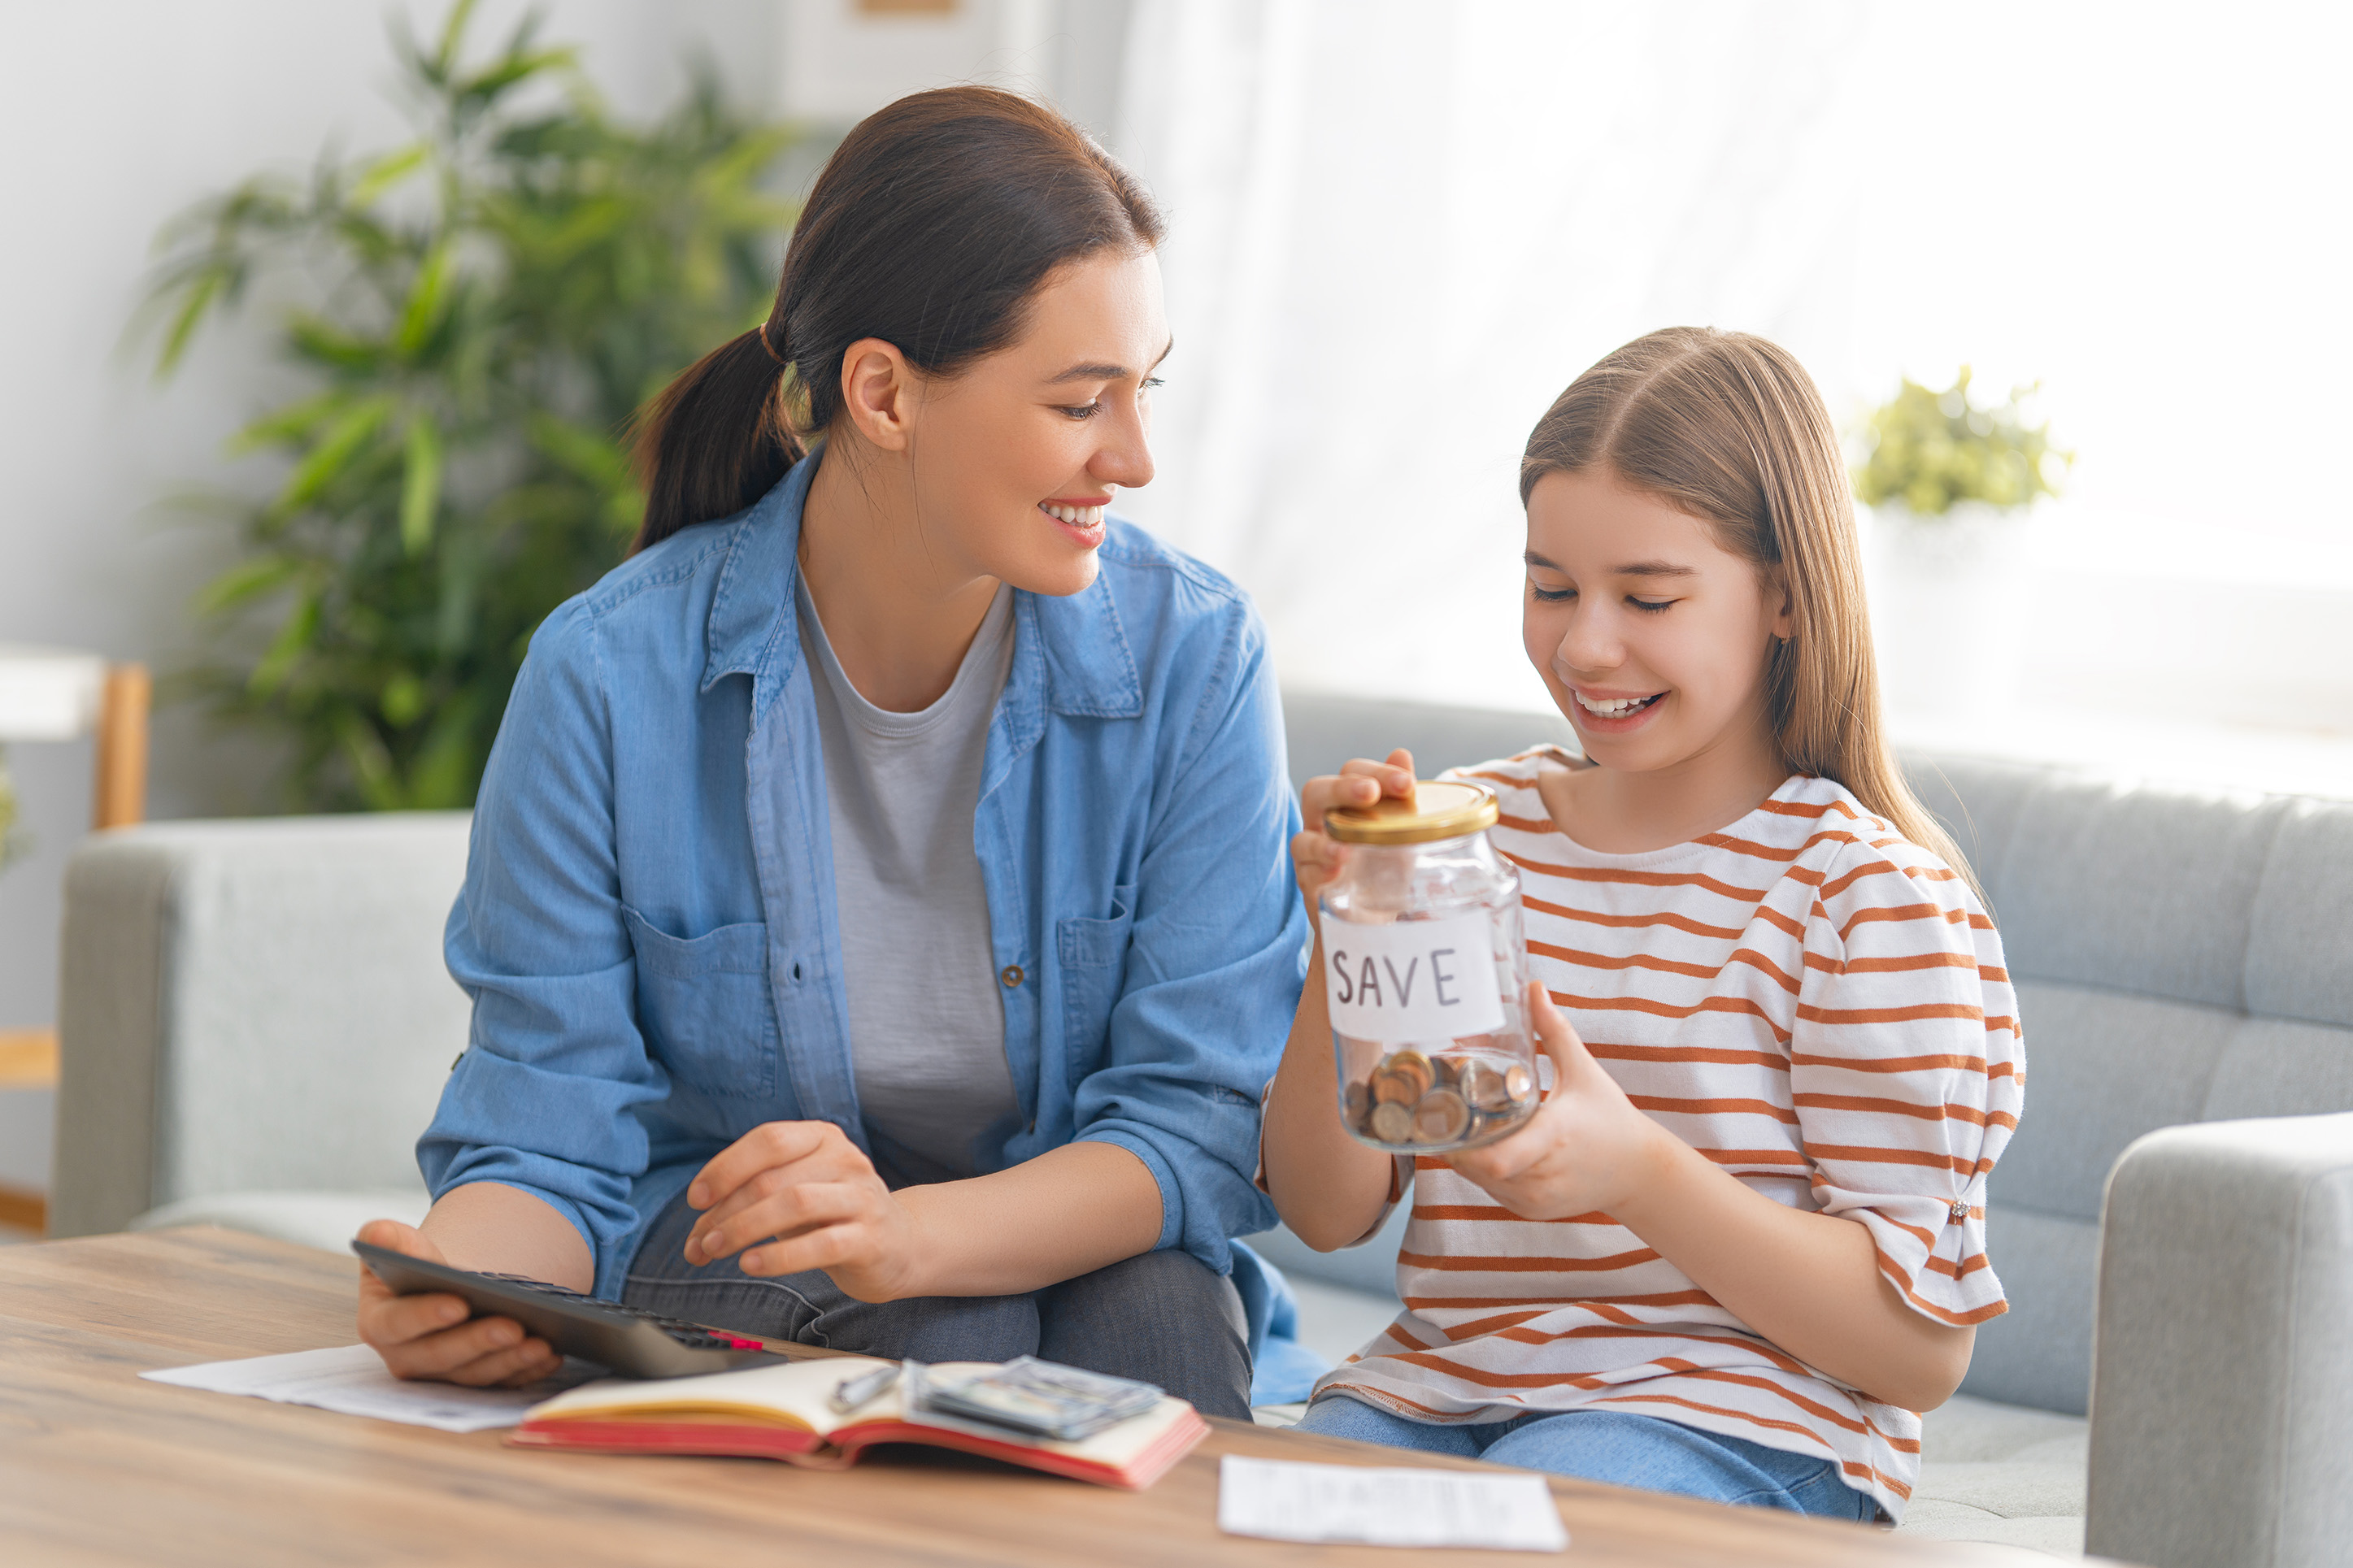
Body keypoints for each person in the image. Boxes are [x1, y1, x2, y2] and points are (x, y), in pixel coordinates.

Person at [353, 87, 1309, 1421]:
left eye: (1143, 391)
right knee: (955, 1316)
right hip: (743, 1270)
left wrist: (905, 1231)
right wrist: (451, 1284)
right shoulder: (608, 675)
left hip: (1052, 1264)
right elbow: (549, 1129)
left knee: (1150, 1302)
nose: (1135, 458)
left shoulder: (1196, 660)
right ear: (882, 393)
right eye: (1083, 401)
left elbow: (1195, 1123)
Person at [1260, 327, 2023, 1521]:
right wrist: (1346, 925)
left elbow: (1917, 1352)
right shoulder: (1475, 837)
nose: (1583, 644)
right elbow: (1326, 1205)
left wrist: (1638, 1170)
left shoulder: (1861, 896)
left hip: (1737, 1420)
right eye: (1548, 586)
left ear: (1781, 592)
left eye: (1648, 595)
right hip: (1437, 1389)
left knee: (1519, 1524)